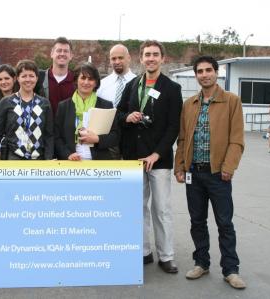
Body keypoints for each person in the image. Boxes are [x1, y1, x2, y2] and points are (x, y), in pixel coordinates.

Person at [174, 56, 246, 289]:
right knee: (197, 221)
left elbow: (237, 140)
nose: (204, 74)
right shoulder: (189, 104)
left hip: (218, 175)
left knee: (225, 222)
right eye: (200, 71)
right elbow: (183, 138)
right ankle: (201, 263)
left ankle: (231, 269)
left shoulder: (231, 102)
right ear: (195, 75)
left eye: (208, 70)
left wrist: (228, 168)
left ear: (217, 73)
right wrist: (180, 166)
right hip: (194, 173)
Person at [117, 40, 183, 274]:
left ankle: (166, 255)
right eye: (147, 55)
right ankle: (143, 251)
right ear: (141, 59)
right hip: (134, 157)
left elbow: (174, 126)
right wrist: (128, 117)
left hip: (159, 159)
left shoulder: (172, 89)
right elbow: (119, 114)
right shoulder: (133, 85)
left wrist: (157, 153)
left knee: (161, 209)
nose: (151, 58)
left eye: (155, 54)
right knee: (137, 207)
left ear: (162, 59)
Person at [0, 60, 53, 160]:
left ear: (37, 78)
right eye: (24, 76)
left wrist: (48, 160)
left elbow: (49, 136)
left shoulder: (44, 103)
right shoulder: (6, 102)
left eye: (31, 76)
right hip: (14, 160)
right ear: (17, 78)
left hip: (39, 161)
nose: (28, 79)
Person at [55, 63, 119, 160]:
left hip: (99, 164)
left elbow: (116, 136)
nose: (86, 82)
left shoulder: (106, 106)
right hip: (71, 163)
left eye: (90, 79)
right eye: (83, 78)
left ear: (96, 83)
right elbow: (57, 137)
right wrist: (67, 154)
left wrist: (97, 139)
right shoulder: (63, 106)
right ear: (76, 80)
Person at [36, 37, 75, 116]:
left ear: (71, 56)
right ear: (51, 54)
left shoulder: (76, 81)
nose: (62, 54)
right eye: (59, 50)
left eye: (66, 51)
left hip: (67, 128)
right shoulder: (39, 78)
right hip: (45, 127)